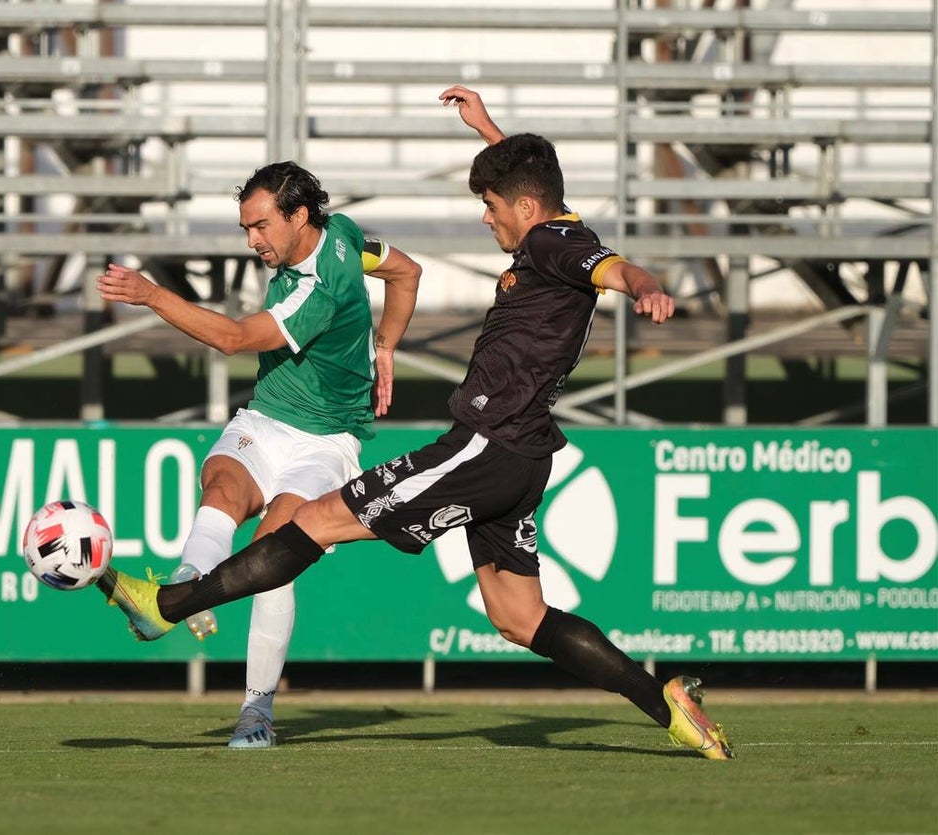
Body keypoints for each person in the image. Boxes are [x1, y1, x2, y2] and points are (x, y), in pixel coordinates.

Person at [97, 88, 734, 760]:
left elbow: (609, 268)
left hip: (483, 446)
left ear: (523, 209)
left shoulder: (553, 244)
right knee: (519, 617)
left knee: (311, 520)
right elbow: (530, 186)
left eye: (491, 208)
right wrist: (488, 130)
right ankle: (661, 700)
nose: (485, 219)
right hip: (522, 455)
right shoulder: (559, 221)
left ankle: (166, 605)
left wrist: (645, 284)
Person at [96, 160, 422, 748]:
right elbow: (406, 270)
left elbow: (234, 339)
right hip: (267, 419)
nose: (252, 241)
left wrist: (151, 295)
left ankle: (255, 708)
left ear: (299, 216)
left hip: (326, 440)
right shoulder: (344, 232)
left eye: (261, 226)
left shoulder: (317, 287)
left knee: (273, 553)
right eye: (245, 227)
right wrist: (388, 345)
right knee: (221, 485)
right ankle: (182, 587)